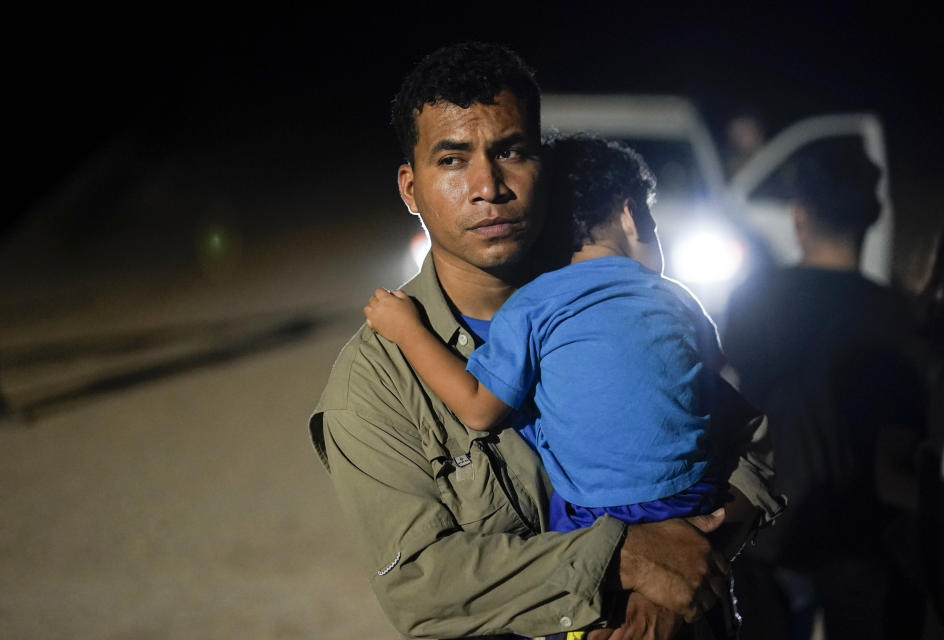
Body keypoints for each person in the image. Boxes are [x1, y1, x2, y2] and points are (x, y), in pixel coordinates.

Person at [310, 42, 783, 640]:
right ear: (411, 189)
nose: (488, 186)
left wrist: (692, 559)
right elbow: (422, 585)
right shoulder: (377, 381)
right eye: (453, 161)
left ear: (544, 168)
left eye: (511, 152)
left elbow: (750, 443)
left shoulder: (613, 307)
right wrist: (631, 559)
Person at [363, 135, 750, 539]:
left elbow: (478, 410)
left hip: (593, 515)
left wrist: (407, 330)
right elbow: (724, 379)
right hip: (694, 496)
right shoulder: (677, 297)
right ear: (631, 215)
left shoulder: (531, 305)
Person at [723, 141, 927, 640]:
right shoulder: (895, 316)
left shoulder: (755, 296)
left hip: (764, 530)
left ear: (798, 216)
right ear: (871, 216)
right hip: (859, 538)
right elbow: (903, 450)